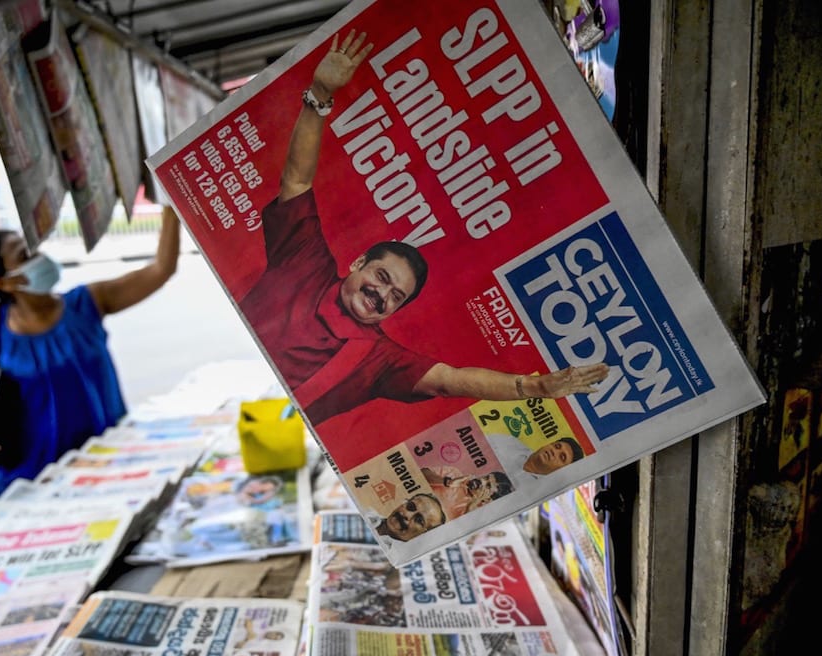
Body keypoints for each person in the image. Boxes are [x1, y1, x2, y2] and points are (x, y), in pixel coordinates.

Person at [238, 30, 610, 426]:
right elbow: (296, 181)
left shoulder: (379, 359)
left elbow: (451, 380)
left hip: (272, 424)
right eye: (381, 277)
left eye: (395, 296)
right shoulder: (306, 260)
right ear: (360, 261)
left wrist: (534, 388)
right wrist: (320, 92)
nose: (380, 294)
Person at [0, 206, 181, 498]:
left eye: (33, 247)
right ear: (1, 282)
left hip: (106, 469)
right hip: (25, 486)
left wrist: (171, 207)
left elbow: (161, 269)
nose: (38, 257)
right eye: (24, 255)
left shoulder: (87, 303)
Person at [488, 434, 585, 489]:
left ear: (562, 470)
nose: (554, 452)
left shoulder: (536, 491)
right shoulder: (509, 442)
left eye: (562, 457)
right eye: (556, 446)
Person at [420, 466, 514, 520]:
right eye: (485, 477)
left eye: (488, 485)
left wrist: (471, 507)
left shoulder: (474, 514)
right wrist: (447, 482)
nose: (481, 481)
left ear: (488, 498)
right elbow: (421, 473)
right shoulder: (454, 473)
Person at [367, 492, 445, 543]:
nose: (407, 515)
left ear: (424, 534)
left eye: (419, 520)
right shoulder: (366, 513)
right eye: (411, 506)